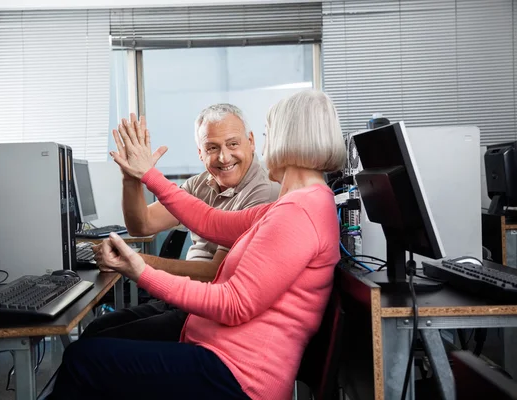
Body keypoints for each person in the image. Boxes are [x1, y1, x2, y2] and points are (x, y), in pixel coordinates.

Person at [50, 90, 346, 400]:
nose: (266, 143)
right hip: (223, 354)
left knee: (82, 361)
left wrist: (140, 270)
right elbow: (212, 222)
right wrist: (147, 176)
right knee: (94, 351)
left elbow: (235, 304)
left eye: (268, 133)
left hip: (239, 375)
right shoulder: (298, 204)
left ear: (286, 139)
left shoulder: (298, 212)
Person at [83, 104, 280, 341]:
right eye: (212, 147)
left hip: (209, 313)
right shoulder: (201, 184)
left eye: (233, 144)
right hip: (183, 300)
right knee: (95, 330)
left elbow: (214, 273)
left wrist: (135, 261)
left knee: (97, 346)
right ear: (200, 152)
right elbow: (142, 226)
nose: (223, 157)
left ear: (251, 141)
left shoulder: (263, 191)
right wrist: (131, 177)